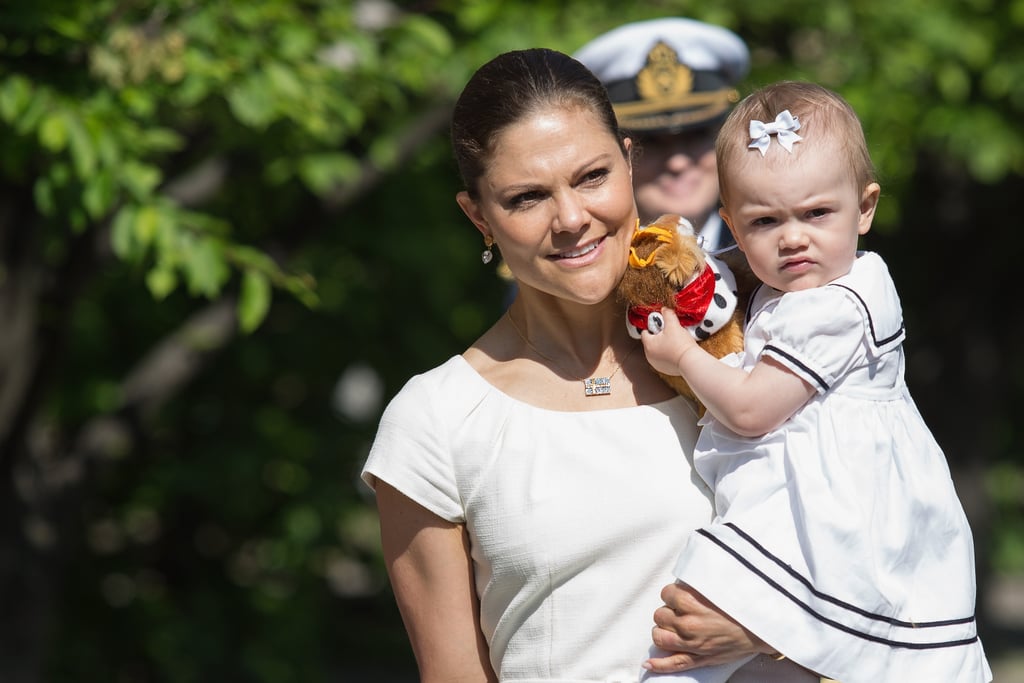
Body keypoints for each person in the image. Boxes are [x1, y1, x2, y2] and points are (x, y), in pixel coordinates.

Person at [360, 48, 777, 682]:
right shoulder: (436, 421)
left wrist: (772, 624)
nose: (572, 219)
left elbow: (879, 542)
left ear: (630, 163)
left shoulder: (751, 339)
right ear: (479, 217)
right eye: (527, 197)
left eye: (591, 177)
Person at [638, 81, 993, 682]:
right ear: (731, 224)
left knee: (702, 635)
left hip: (835, 511)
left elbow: (752, 411)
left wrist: (682, 356)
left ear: (867, 206)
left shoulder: (836, 306)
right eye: (764, 220)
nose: (793, 236)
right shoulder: (798, 290)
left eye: (817, 213)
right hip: (807, 498)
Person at [574, 17, 749, 253]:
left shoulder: (779, 263)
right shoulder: (580, 273)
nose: (677, 162)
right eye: (650, 142)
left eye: (696, 135)